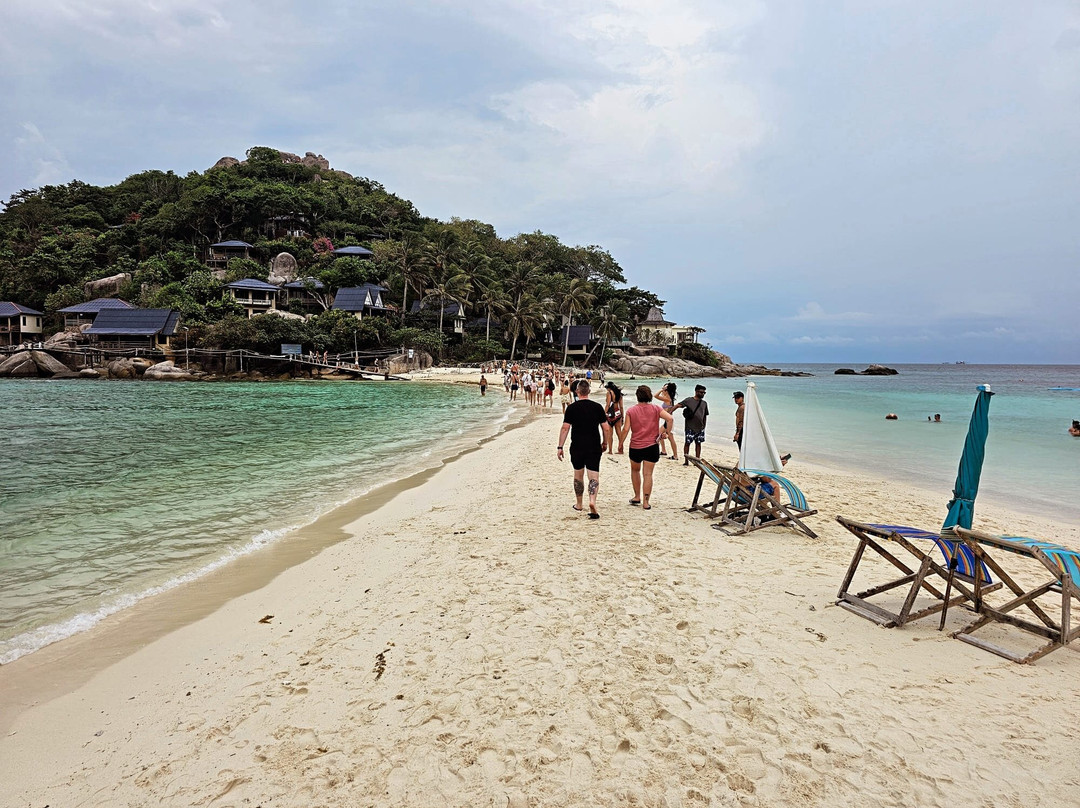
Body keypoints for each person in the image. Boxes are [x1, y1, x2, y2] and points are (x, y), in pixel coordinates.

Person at [557, 381, 611, 520]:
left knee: (578, 476)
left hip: (577, 447)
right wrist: (605, 442)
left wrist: (560, 446)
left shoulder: (572, 408)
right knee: (593, 476)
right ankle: (592, 501)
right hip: (593, 446)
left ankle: (579, 504)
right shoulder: (597, 407)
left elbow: (565, 428)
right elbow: (606, 428)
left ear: (577, 392)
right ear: (589, 391)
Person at [619, 385, 673, 510]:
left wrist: (620, 443)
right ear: (649, 396)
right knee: (648, 475)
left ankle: (637, 496)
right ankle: (646, 502)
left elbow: (626, 429)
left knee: (635, 471)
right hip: (651, 446)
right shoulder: (656, 408)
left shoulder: (631, 411)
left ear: (637, 396)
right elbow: (670, 419)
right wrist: (667, 434)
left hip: (636, 446)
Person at [673, 385, 709, 466]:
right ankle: (686, 460)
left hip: (700, 427)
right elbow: (678, 405)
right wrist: (669, 413)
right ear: (696, 391)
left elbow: (705, 415)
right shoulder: (689, 400)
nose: (702, 394)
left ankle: (697, 460)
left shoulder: (704, 403)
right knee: (687, 443)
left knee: (698, 444)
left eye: (704, 393)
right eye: (701, 392)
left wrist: (704, 426)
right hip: (690, 427)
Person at [655, 382, 680, 460]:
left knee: (666, 437)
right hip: (667, 421)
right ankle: (663, 451)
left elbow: (655, 395)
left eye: (664, 388)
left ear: (667, 390)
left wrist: (661, 390)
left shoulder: (667, 399)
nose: (663, 389)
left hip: (668, 422)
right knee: (661, 435)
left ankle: (675, 455)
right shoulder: (668, 398)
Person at [604, 381, 625, 454]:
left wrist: (604, 414)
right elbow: (621, 407)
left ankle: (610, 450)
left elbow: (608, 405)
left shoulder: (609, 393)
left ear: (609, 388)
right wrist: (622, 416)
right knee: (619, 432)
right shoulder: (619, 394)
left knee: (610, 433)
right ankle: (621, 449)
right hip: (617, 413)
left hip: (610, 414)